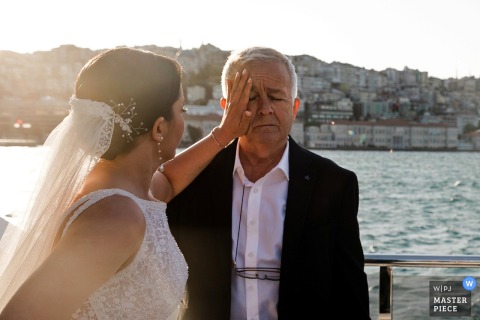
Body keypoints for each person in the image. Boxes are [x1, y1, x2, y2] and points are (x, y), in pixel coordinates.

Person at [0, 47, 252, 319]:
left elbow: (167, 180)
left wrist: (224, 134)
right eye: (182, 109)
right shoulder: (115, 217)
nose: (184, 118)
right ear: (159, 128)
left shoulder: (132, 193)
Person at [152, 46, 371, 319]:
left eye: (277, 97)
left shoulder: (335, 183)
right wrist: (221, 135)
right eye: (251, 97)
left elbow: (351, 294)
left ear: (294, 107)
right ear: (227, 107)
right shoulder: (192, 178)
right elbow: (143, 197)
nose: (265, 109)